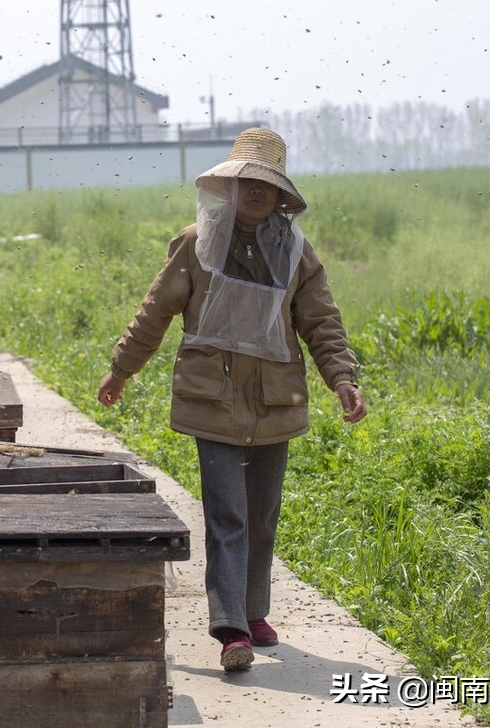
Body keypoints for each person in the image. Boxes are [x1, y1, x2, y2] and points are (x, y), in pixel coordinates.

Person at [97, 127, 368, 672]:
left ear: (279, 196)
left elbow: (321, 322)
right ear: (232, 184)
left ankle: (254, 609)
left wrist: (342, 378)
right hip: (212, 398)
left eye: (267, 187)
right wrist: (121, 369)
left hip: (274, 399)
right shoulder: (196, 242)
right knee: (228, 513)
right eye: (248, 183)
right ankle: (230, 628)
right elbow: (156, 310)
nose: (256, 194)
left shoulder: (296, 253)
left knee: (263, 515)